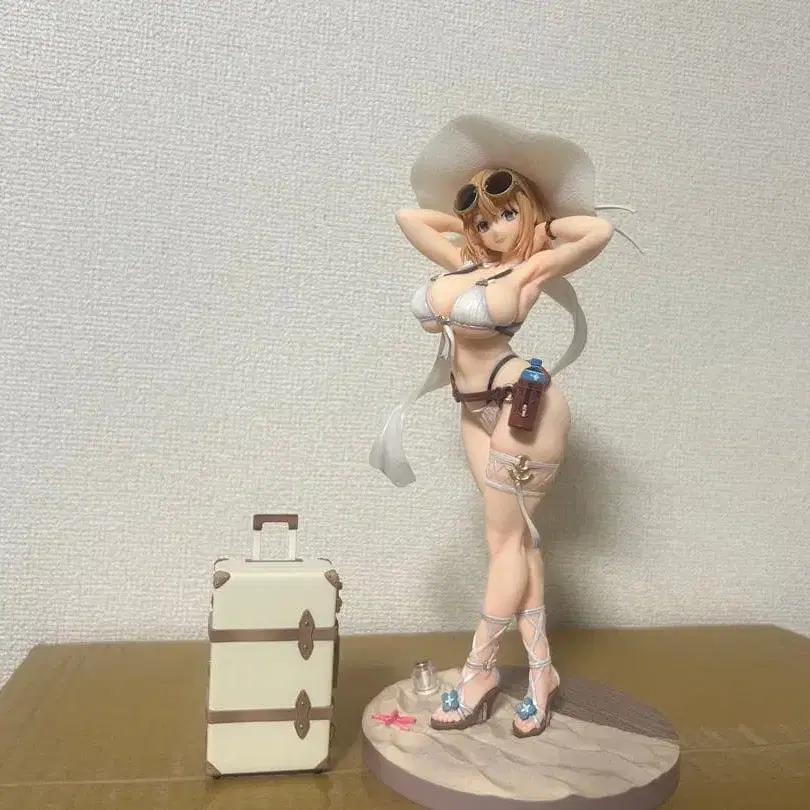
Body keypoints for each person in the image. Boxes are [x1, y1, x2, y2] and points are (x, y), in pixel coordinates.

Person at [370, 115, 633, 738]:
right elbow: (411, 218)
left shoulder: (530, 269)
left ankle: (479, 670)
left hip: (522, 406)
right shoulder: (464, 261)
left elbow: (597, 231)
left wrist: (541, 225)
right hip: (471, 408)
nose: (493, 229)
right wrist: (476, 218)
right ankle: (541, 672)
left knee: (504, 543)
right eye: (483, 220)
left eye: (506, 214)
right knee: (516, 543)